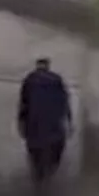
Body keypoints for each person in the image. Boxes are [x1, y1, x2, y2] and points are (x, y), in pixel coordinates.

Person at [17, 57, 73, 185]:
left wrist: (21, 123)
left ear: (37, 66)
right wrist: (68, 120)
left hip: (34, 123)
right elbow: (65, 102)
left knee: (35, 150)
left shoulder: (29, 79)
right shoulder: (56, 80)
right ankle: (49, 171)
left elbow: (23, 104)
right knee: (56, 147)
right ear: (48, 66)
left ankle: (39, 175)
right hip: (53, 123)